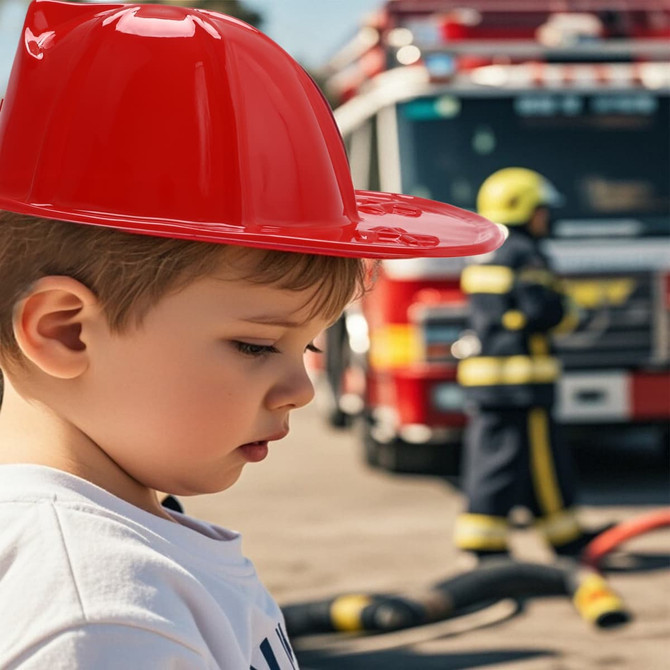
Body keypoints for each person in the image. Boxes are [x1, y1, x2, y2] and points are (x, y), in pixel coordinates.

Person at [0, 1, 503, 667]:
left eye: (311, 345)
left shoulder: (129, 557)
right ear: (66, 333)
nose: (299, 390)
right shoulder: (101, 616)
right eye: (258, 346)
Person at [453, 167, 602, 561]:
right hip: (522, 379)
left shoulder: (485, 252)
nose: (546, 218)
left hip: (488, 380)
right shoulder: (526, 253)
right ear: (523, 210)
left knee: (493, 457)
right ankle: (563, 541)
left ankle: (488, 537)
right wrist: (574, 314)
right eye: (541, 210)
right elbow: (541, 312)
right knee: (542, 460)